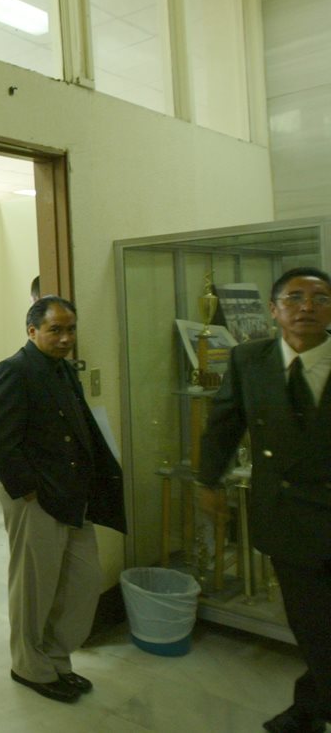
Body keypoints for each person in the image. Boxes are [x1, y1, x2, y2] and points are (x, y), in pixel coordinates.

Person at [198, 267, 331, 733]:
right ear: (274, 311)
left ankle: (312, 706)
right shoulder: (248, 360)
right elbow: (224, 422)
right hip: (288, 516)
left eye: (319, 298)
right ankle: (313, 706)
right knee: (310, 624)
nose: (307, 307)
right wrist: (208, 480)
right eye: (294, 297)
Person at [0, 297, 126, 704]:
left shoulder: (64, 370)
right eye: (55, 330)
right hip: (34, 496)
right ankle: (29, 666)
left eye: (70, 330)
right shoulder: (14, 370)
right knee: (35, 586)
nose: (65, 338)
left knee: (80, 582)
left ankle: (57, 660)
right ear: (32, 331)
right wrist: (27, 489)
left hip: (72, 493)